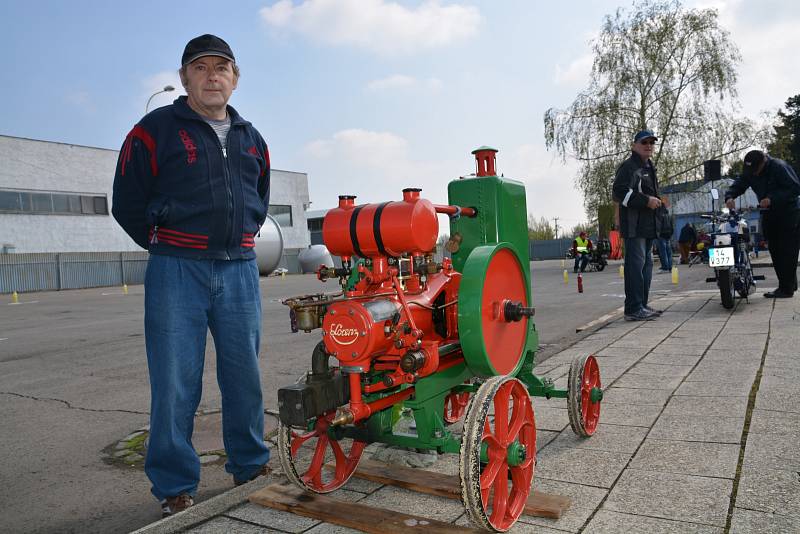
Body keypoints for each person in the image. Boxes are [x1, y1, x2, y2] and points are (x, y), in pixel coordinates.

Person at [112, 34, 272, 517]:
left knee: (244, 375)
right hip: (176, 272)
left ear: (235, 78)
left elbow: (259, 197)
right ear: (184, 78)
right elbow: (127, 203)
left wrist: (240, 237)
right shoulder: (154, 129)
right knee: (176, 380)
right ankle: (175, 484)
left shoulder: (251, 137)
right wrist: (169, 243)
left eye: (221, 68)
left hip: (240, 270)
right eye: (200, 68)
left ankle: (249, 463)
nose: (211, 76)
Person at [725, 149, 800, 298]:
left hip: (788, 213)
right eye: (751, 171)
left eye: (756, 170)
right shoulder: (750, 171)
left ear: (764, 162)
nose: (755, 174)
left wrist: (772, 199)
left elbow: (794, 188)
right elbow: (740, 183)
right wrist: (729, 196)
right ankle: (789, 284)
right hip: (769, 214)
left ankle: (786, 289)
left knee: (787, 250)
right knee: (775, 249)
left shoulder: (779, 167)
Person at [612, 130, 666, 321]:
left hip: (648, 226)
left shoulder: (649, 166)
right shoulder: (629, 166)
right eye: (644, 142)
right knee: (636, 266)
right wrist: (645, 201)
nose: (648, 145)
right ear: (634, 145)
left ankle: (642, 304)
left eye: (652, 142)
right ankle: (633, 308)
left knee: (647, 265)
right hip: (634, 227)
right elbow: (618, 192)